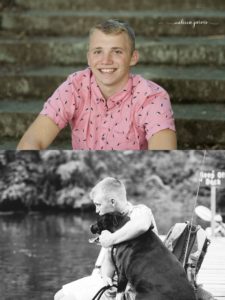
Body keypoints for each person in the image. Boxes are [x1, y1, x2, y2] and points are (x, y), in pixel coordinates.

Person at [17, 19, 177, 150]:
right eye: (98, 51)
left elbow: (163, 154)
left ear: (133, 57)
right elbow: (32, 140)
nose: (106, 61)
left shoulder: (152, 97)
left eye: (117, 51)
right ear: (88, 58)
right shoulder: (75, 86)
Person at [54, 177, 157, 300]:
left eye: (98, 205)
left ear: (112, 202)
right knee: (60, 296)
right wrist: (105, 276)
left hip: (137, 288)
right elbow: (108, 259)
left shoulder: (140, 211)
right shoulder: (110, 222)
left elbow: (142, 225)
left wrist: (110, 239)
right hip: (112, 285)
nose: (97, 211)